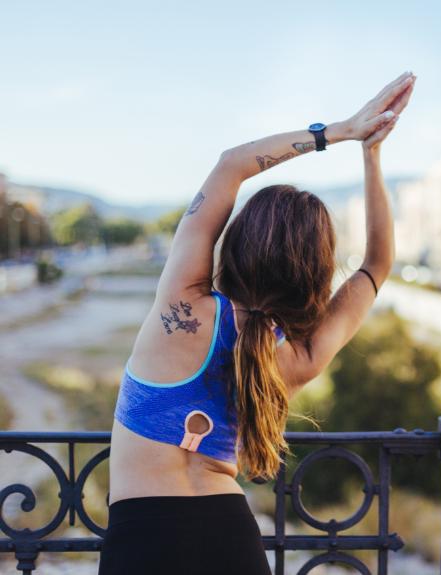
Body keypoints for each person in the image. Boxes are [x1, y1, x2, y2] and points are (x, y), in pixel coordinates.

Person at [98, 71, 417, 575]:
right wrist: (372, 157)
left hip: (145, 535)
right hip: (231, 536)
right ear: (312, 273)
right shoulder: (297, 356)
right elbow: (376, 266)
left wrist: (341, 130)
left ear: (238, 240)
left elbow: (231, 165)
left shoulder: (184, 307)